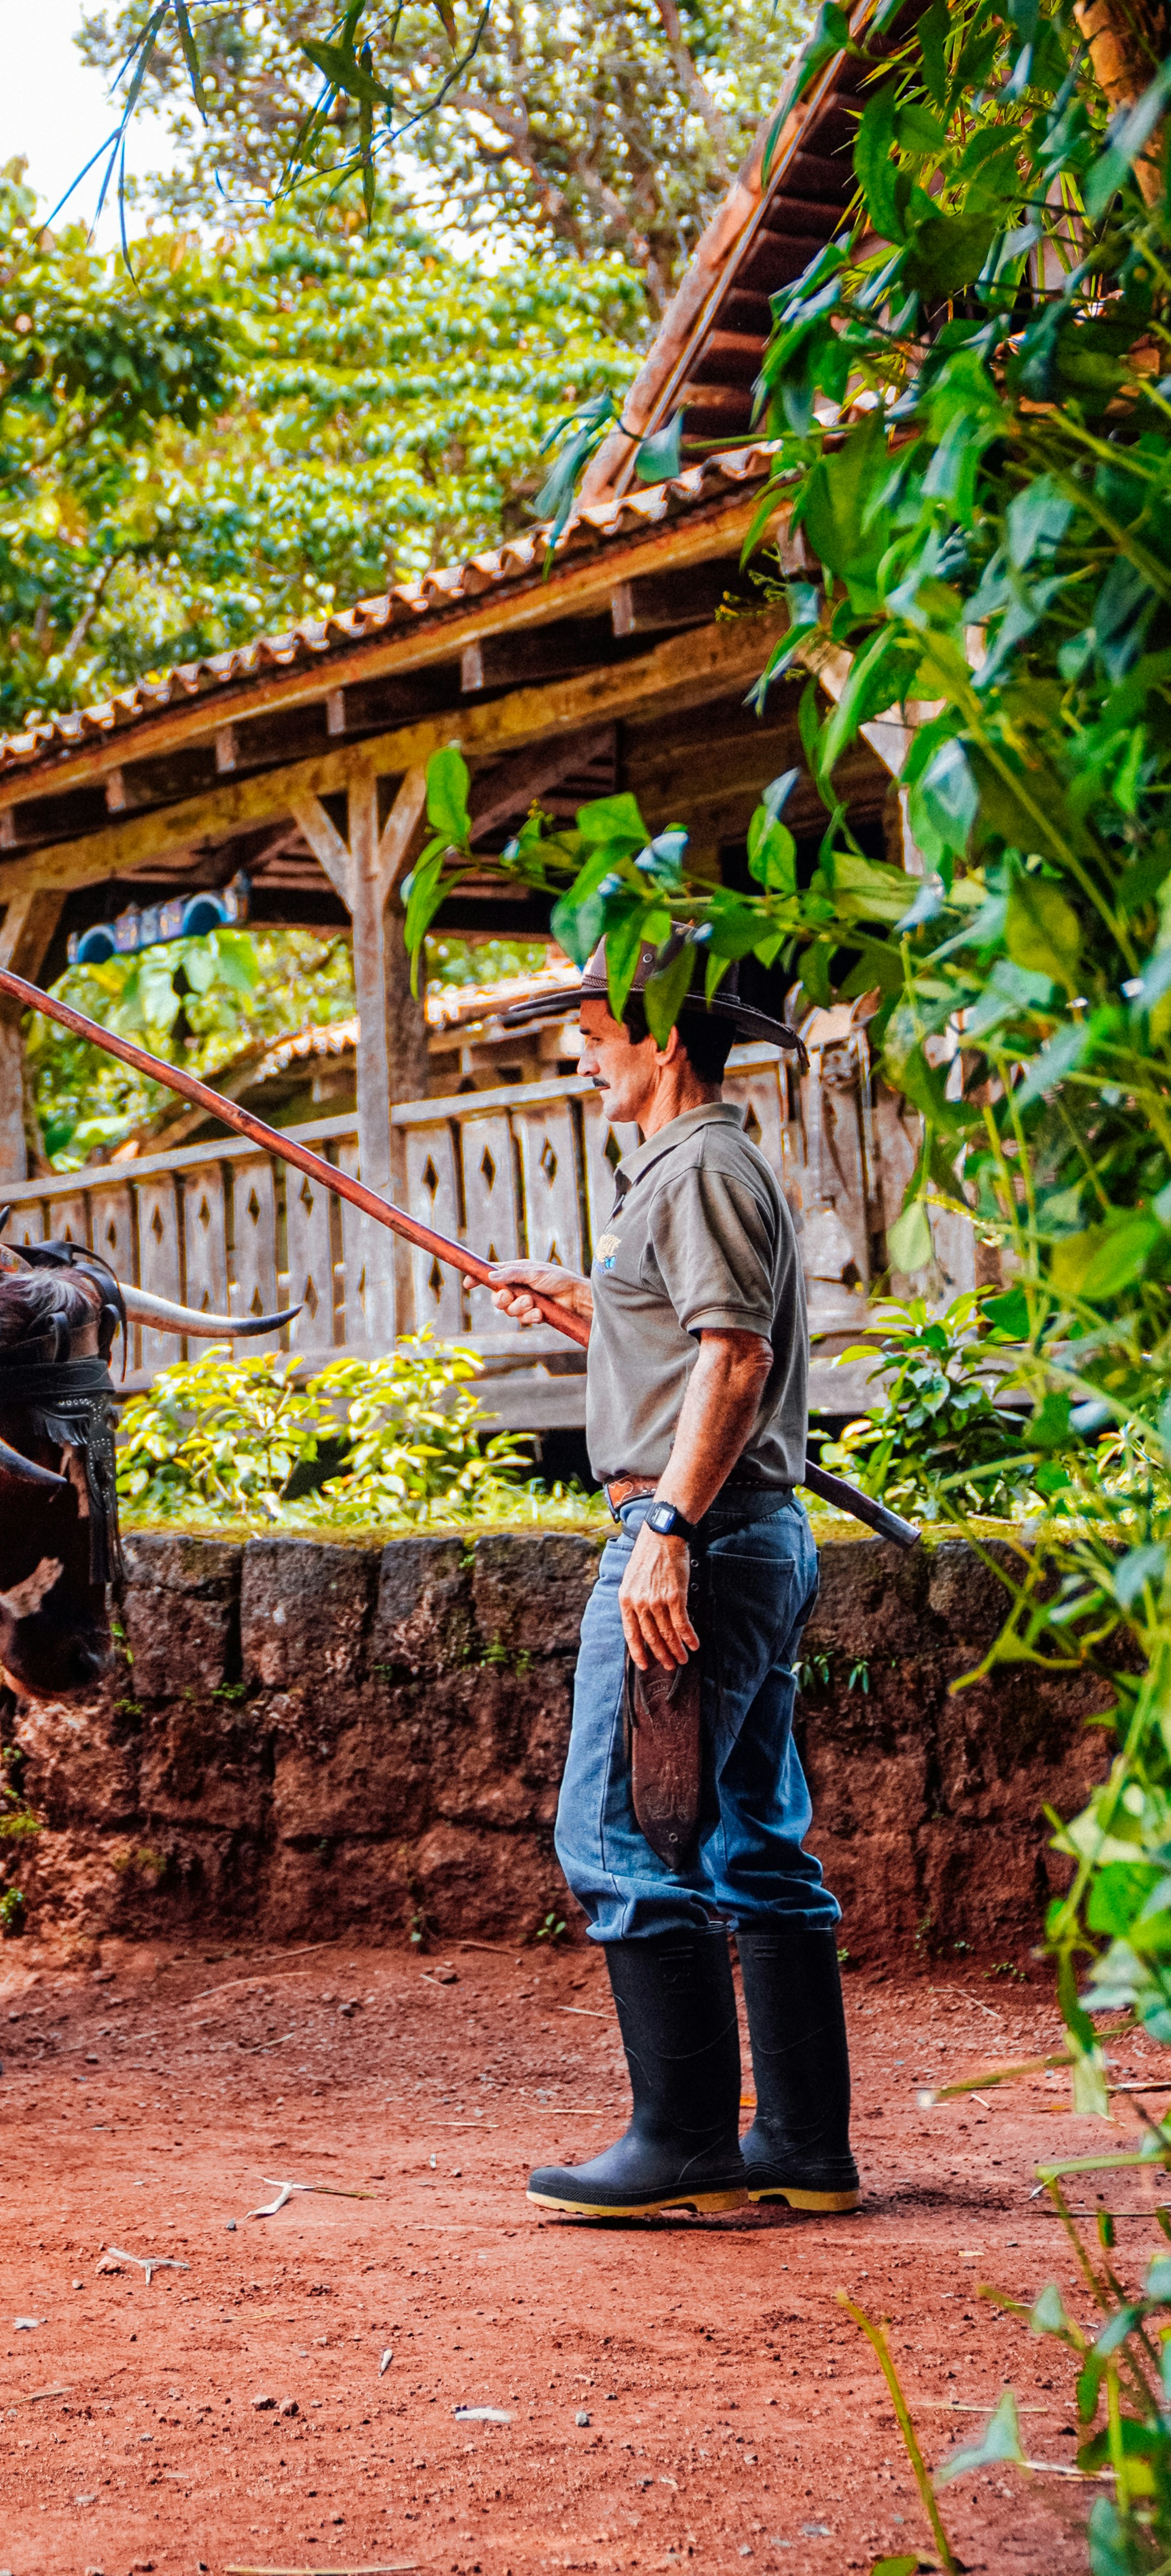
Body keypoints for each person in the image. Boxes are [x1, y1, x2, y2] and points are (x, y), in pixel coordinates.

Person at [489, 949, 859, 2222]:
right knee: (755, 1839)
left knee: (619, 1835)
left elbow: (739, 1360)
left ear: (661, 1039)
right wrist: (586, 1306)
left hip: (698, 1544)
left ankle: (685, 2142)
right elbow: (687, 1349)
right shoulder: (697, 1166)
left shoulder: (699, 1164)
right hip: (747, 1534)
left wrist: (662, 1528)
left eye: (593, 1032)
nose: (578, 1053)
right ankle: (802, 2146)